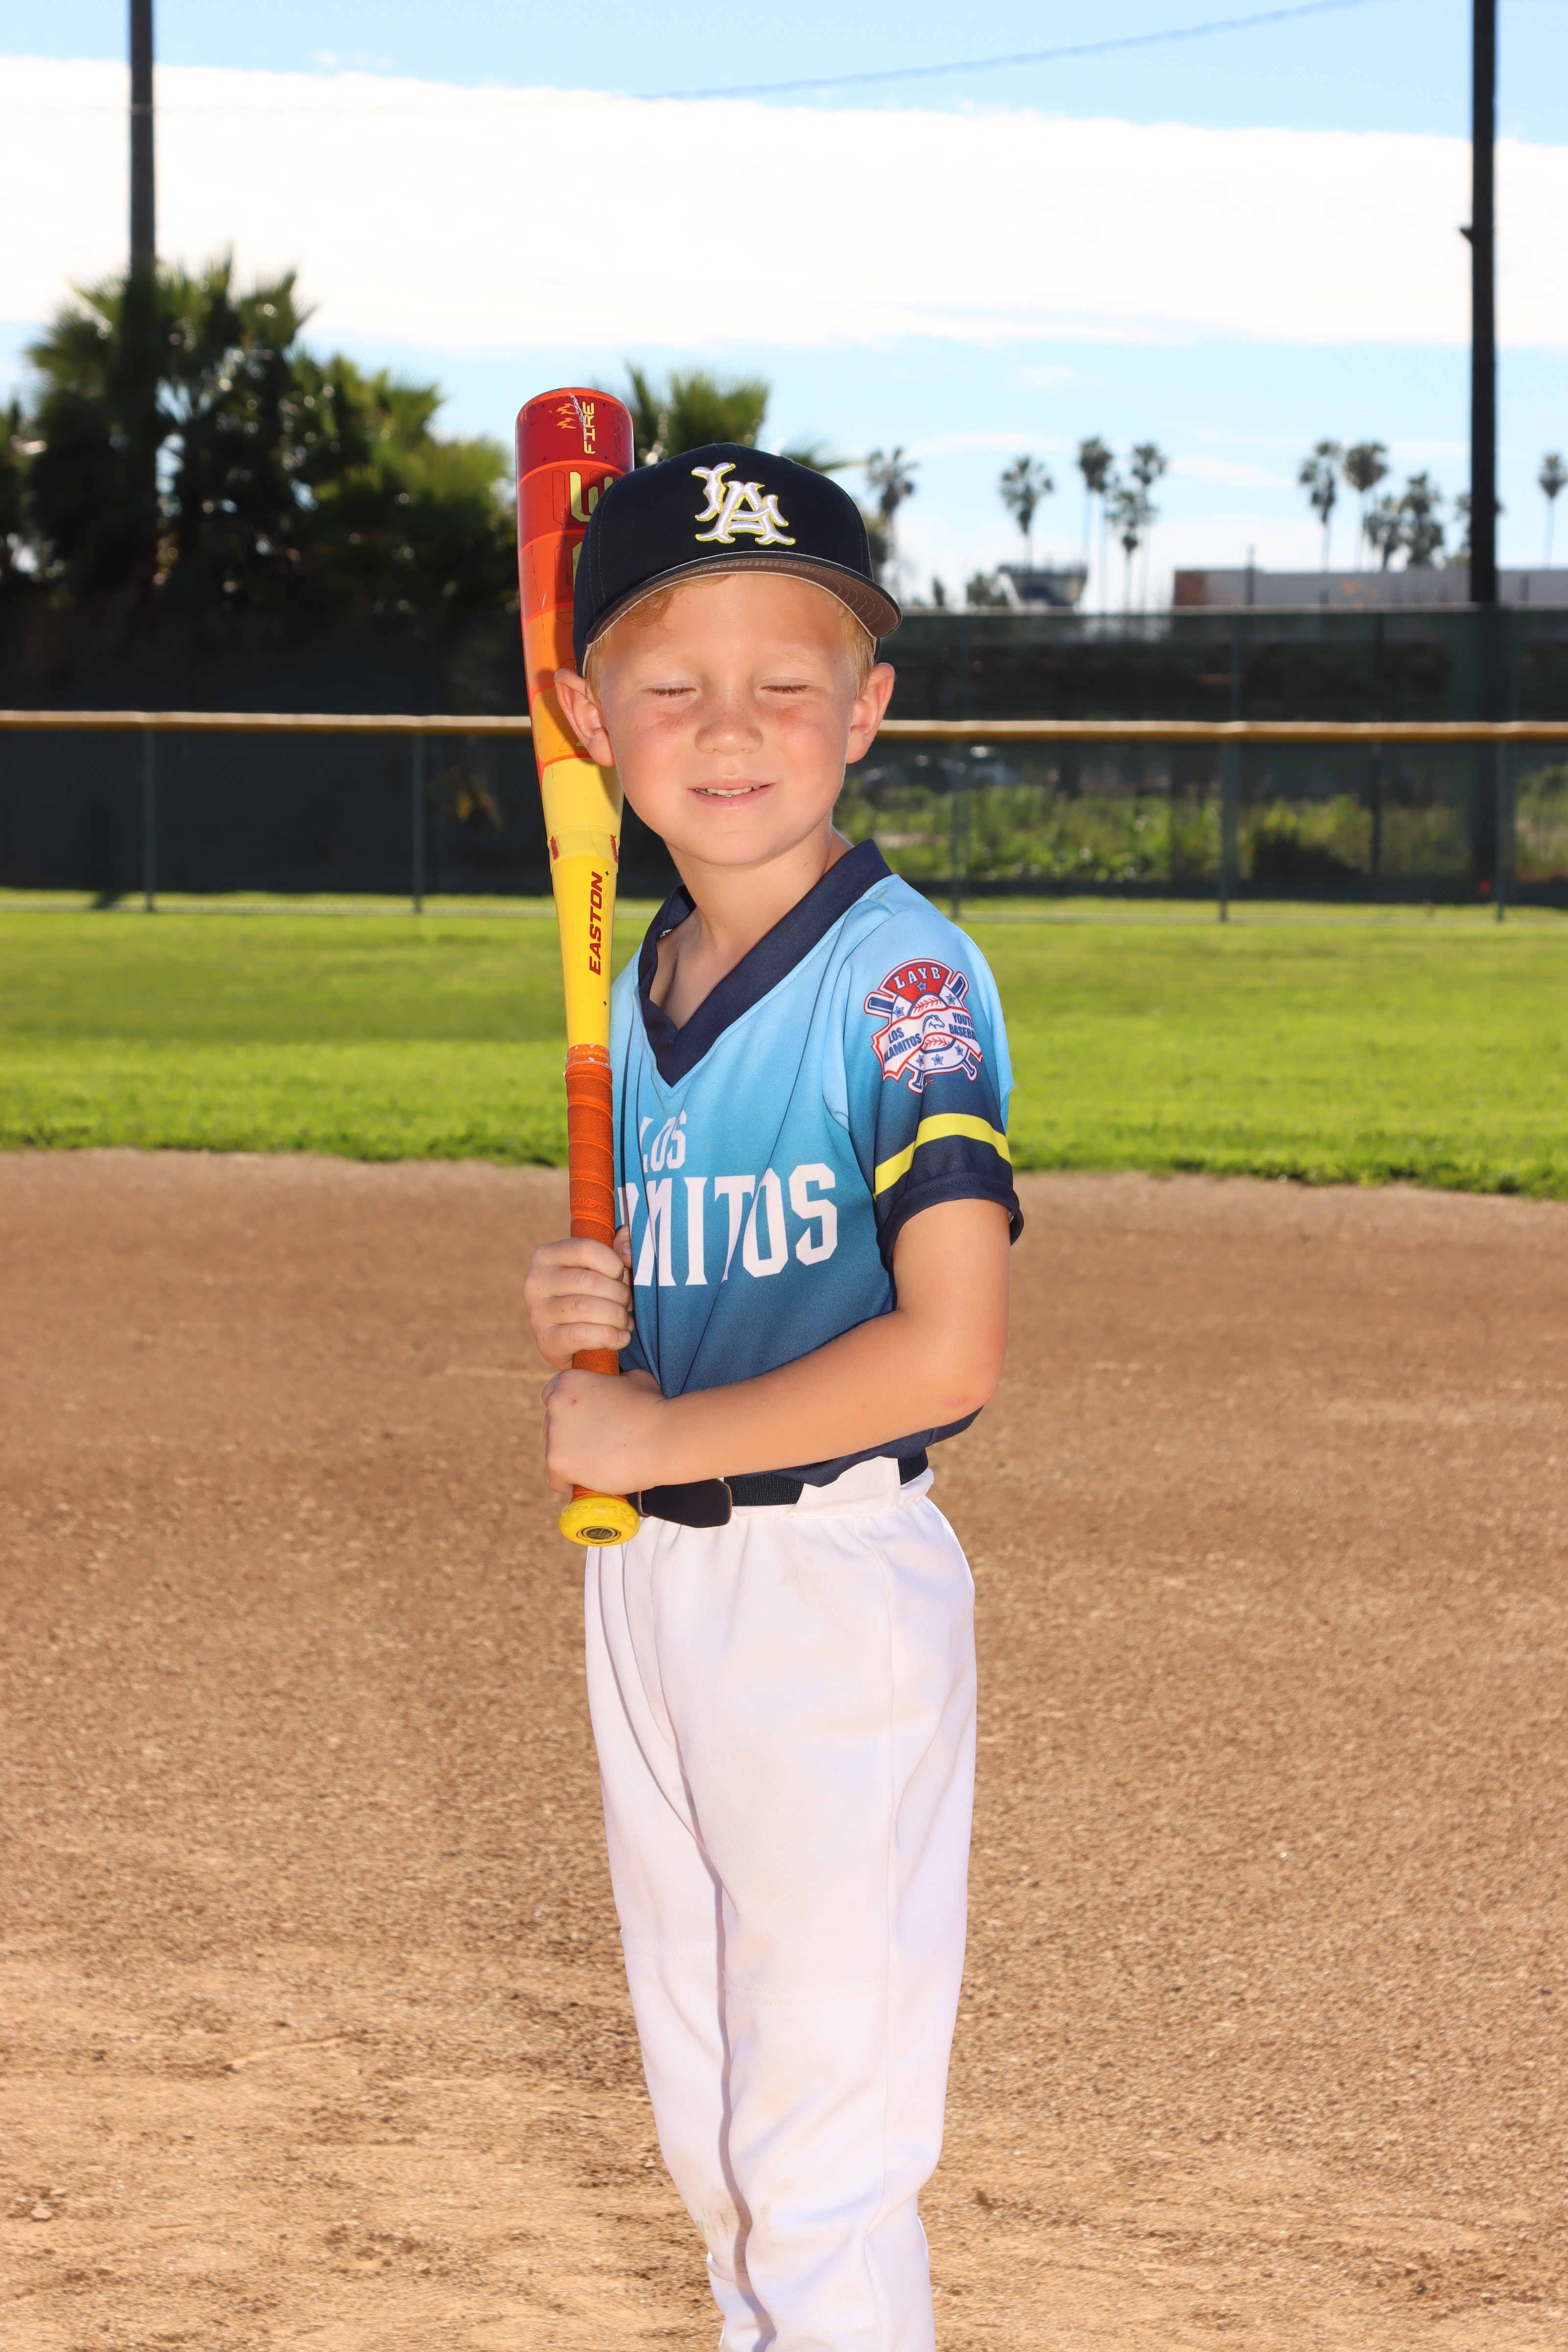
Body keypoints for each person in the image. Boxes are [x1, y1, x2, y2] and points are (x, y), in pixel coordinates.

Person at [523, 443, 1022, 2350]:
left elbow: (947, 1348)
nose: (729, 729)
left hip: (822, 1605)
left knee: (819, 2147)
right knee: (717, 2128)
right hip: (654, 1588)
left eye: (784, 684)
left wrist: (654, 1432)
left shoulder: (902, 982)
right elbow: (713, 1292)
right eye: (671, 685)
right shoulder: (639, 975)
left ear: (865, 711)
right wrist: (604, 1321)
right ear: (589, 722)